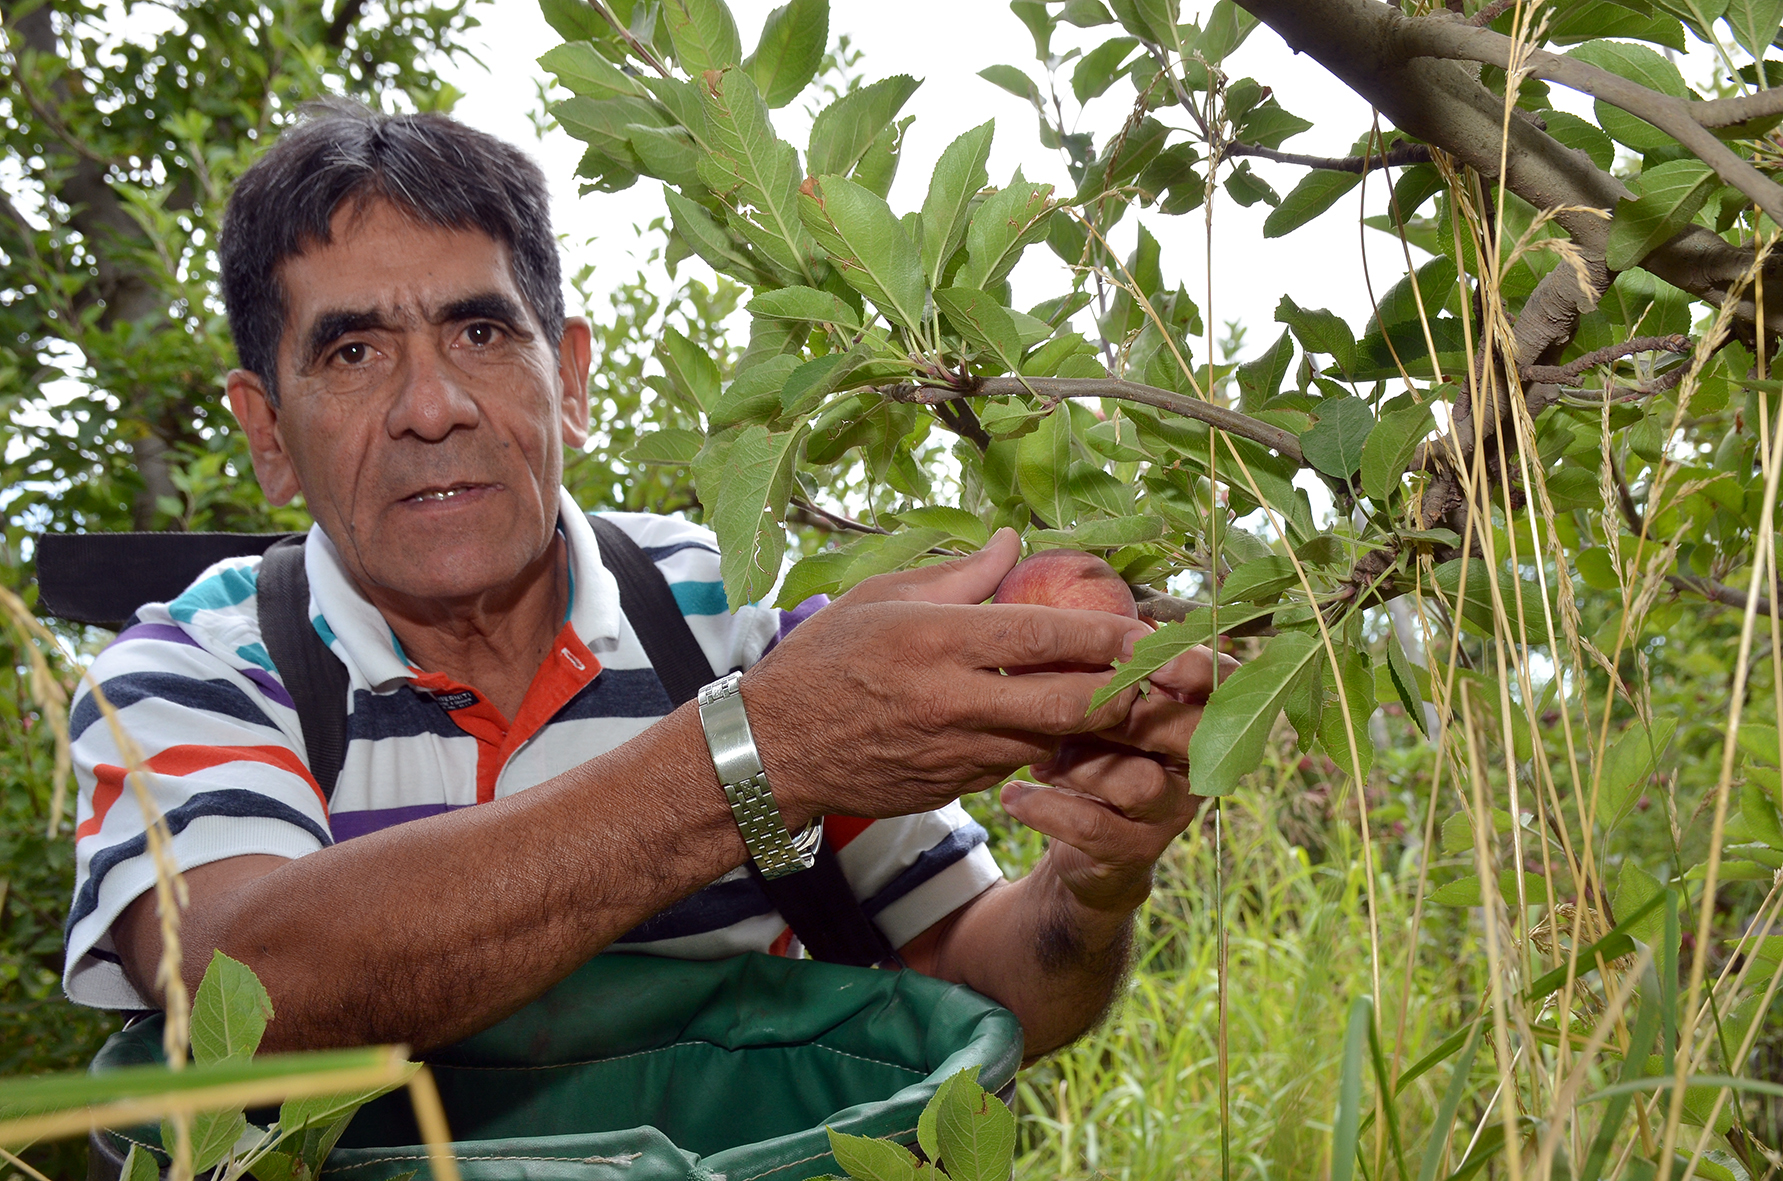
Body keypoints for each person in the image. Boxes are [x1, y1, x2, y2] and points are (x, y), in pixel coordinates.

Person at [64, 105, 1225, 1060]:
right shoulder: (191, 667)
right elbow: (249, 990)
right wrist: (757, 753)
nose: (433, 408)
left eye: (479, 332)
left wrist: (1090, 881)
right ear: (267, 433)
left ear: (567, 377)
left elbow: (982, 986)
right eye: (354, 352)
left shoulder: (736, 614)